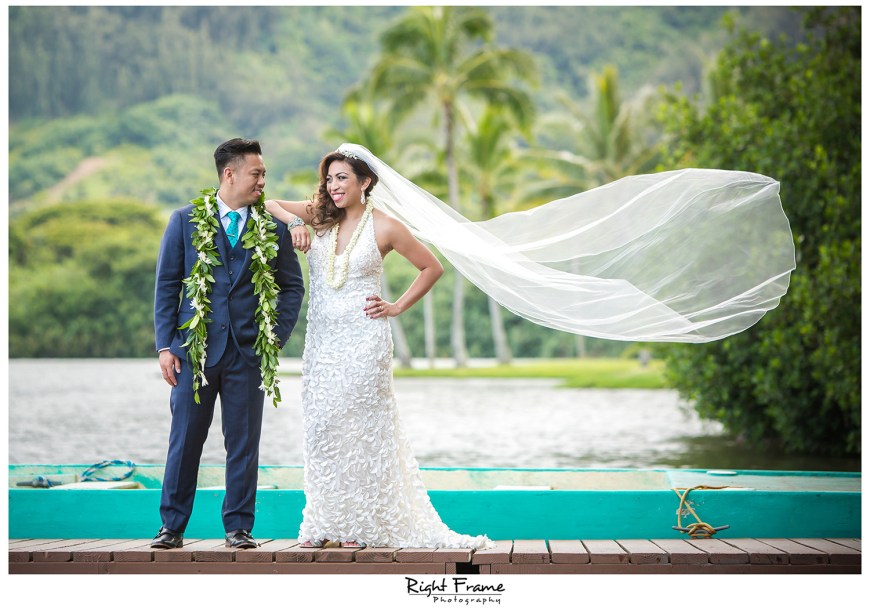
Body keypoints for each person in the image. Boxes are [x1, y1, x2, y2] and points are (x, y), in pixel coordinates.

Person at [266, 149, 493, 549]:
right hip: (322, 344)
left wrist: (397, 306)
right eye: (330, 179)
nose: (334, 187)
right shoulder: (318, 216)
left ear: (365, 182)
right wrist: (296, 222)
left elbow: (432, 267)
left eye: (342, 179)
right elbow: (267, 202)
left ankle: (357, 526)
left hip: (366, 341)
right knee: (322, 429)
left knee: (359, 431)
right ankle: (323, 524)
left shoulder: (386, 226)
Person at [152, 138, 306, 550]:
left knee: (243, 443)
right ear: (230, 173)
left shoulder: (272, 228)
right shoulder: (183, 221)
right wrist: (166, 345)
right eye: (257, 173)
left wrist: (274, 335)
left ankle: (238, 528)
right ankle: (172, 528)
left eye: (263, 174)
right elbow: (167, 286)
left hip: (248, 355)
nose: (262, 181)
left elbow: (293, 287)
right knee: (183, 441)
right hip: (193, 354)